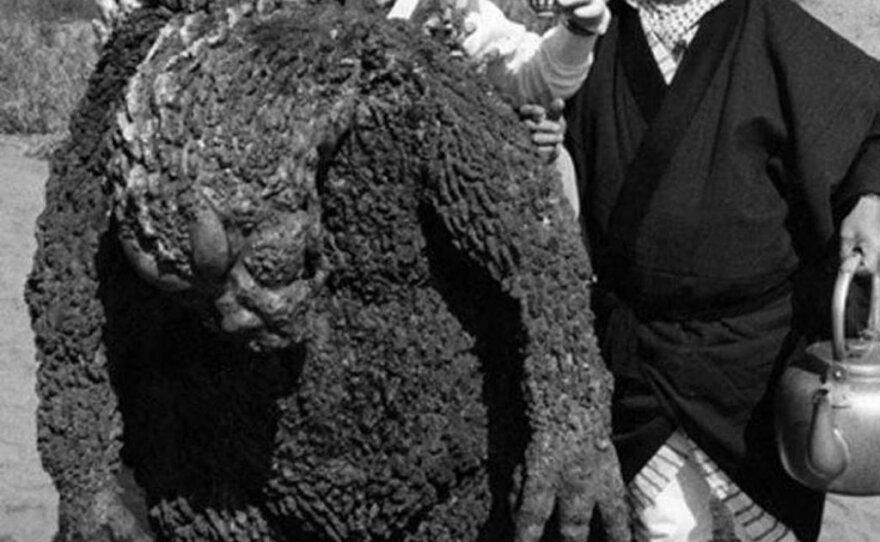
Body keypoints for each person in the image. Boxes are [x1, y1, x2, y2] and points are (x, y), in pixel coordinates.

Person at [556, 0, 880, 541]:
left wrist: (871, 198)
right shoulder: (593, 30)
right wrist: (540, 130)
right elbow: (531, 99)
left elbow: (872, 117)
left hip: (750, 364)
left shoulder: (769, 26)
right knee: (666, 529)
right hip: (639, 356)